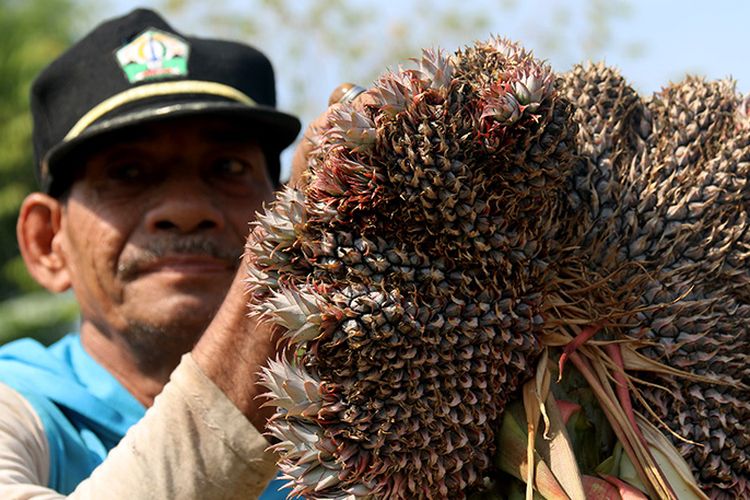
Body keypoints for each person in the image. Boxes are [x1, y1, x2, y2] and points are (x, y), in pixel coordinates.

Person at [0, 8, 304, 499]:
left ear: (292, 208)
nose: (185, 210)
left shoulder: (358, 426)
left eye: (226, 167)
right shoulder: (20, 409)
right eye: (127, 173)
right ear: (47, 243)